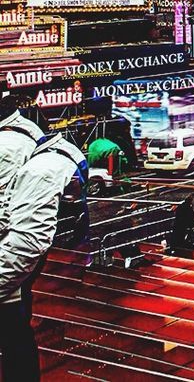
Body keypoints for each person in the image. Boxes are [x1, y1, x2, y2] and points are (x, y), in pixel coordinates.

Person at [0, 120, 87, 381]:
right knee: (16, 338)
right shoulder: (31, 153)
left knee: (15, 338)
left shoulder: (25, 158)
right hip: (14, 272)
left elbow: (29, 240)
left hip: (10, 273)